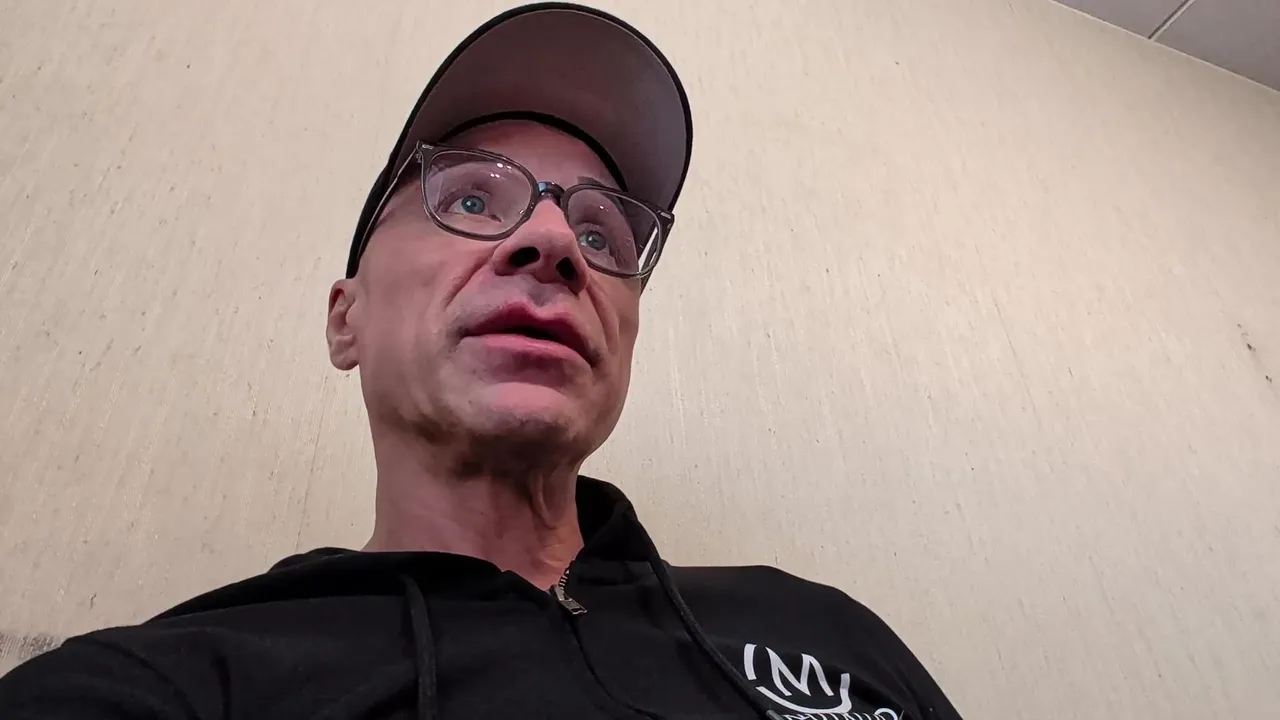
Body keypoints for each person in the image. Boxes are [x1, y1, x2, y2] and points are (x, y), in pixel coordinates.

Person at [0, 4, 963, 719]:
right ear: (346, 321)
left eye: (603, 231)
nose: (555, 242)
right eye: (468, 200)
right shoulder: (175, 683)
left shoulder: (821, 633)